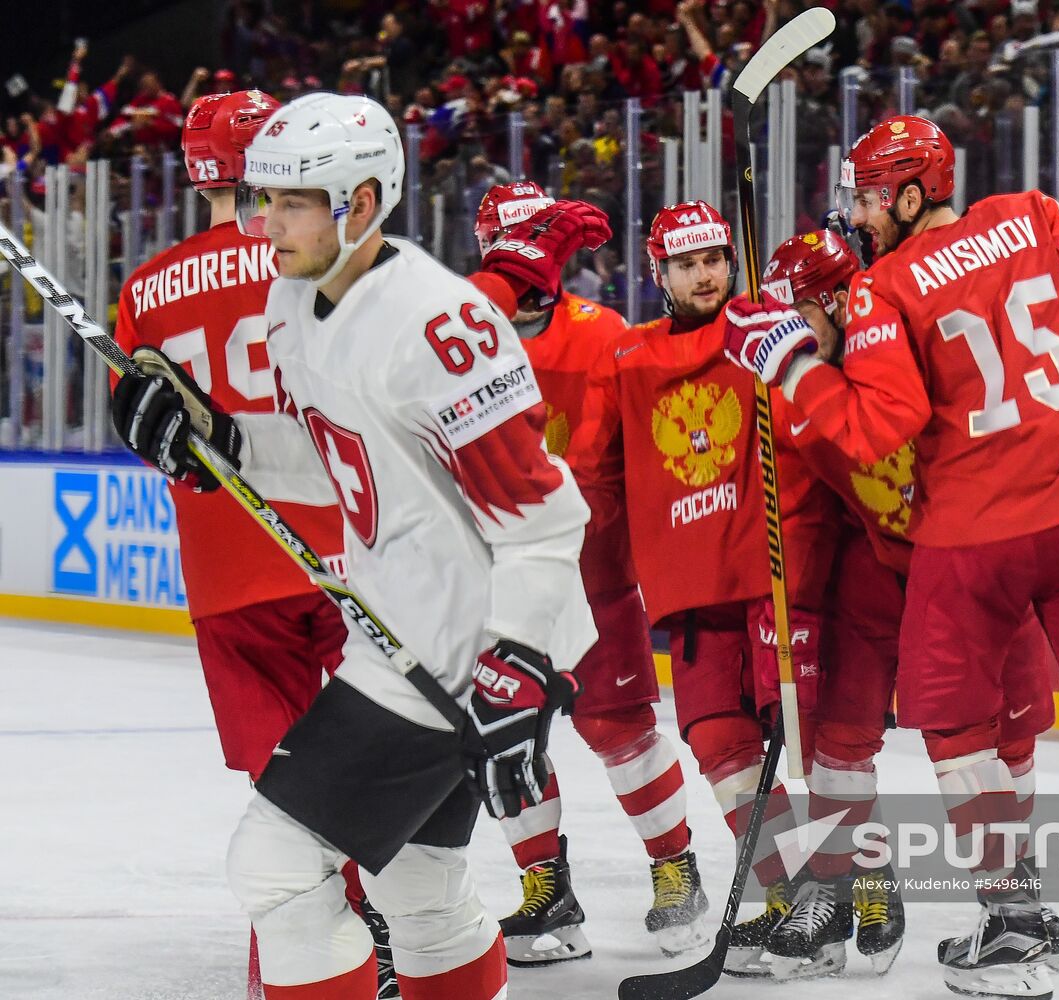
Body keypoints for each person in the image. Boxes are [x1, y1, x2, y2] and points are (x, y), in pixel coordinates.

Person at [108, 91, 610, 1000]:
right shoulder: (296, 307)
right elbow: (328, 458)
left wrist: (518, 666)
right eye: (264, 199)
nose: (265, 222)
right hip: (402, 633)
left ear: (364, 204)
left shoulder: (436, 326)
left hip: (459, 646)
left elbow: (544, 515)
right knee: (420, 887)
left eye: (292, 202)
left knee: (275, 867)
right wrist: (218, 443)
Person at [722, 115, 1059, 1000]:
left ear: (912, 194)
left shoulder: (885, 287)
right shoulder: (1037, 215)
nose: (860, 218)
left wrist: (791, 367)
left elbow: (879, 428)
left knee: (953, 720)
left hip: (976, 536)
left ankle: (1015, 922)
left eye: (870, 199)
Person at [110, 89, 399, 1000]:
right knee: (361, 763)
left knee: (284, 782)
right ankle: (370, 936)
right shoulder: (325, 252)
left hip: (228, 568)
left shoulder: (142, 290)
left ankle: (303, 948)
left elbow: (149, 429)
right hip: (348, 547)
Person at [747, 228, 1059, 982]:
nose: (787, 329)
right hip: (874, 570)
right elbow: (798, 511)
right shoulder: (792, 389)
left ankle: (1011, 904)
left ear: (837, 300)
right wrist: (789, 621)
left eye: (797, 309)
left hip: (969, 565)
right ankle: (846, 888)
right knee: (837, 739)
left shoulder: (916, 344)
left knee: (999, 739)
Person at [568, 199, 837, 976]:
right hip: (689, 588)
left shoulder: (766, 333)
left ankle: (855, 894)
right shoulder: (623, 360)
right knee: (720, 744)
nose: (705, 274)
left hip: (773, 579)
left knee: (814, 742)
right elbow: (596, 477)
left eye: (715, 258)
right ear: (660, 275)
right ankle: (793, 898)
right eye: (686, 264)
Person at [471, 182, 703, 964]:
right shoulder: (462, 335)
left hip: (594, 575)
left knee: (620, 729)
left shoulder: (602, 333)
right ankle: (548, 893)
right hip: (497, 586)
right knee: (506, 743)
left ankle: (677, 871)